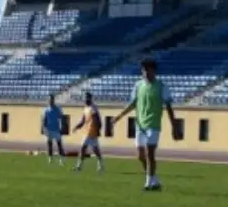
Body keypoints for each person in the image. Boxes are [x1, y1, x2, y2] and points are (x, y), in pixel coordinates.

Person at [111, 57, 178, 191]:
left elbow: (169, 107)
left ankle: (148, 183)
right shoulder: (138, 85)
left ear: (154, 71)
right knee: (140, 156)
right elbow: (132, 103)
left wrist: (174, 126)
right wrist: (119, 116)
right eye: (144, 70)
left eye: (148, 70)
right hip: (140, 125)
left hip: (153, 124)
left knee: (150, 153)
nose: (146, 73)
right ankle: (154, 180)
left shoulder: (161, 86)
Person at [70, 91, 105, 173]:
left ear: (90, 98)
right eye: (84, 98)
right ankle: (100, 164)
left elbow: (98, 120)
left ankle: (79, 166)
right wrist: (77, 127)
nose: (85, 99)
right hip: (87, 131)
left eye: (86, 98)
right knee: (94, 149)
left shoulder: (93, 108)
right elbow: (83, 121)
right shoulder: (85, 108)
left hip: (92, 131)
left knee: (84, 148)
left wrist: (98, 130)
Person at [40, 95, 65, 165]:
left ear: (53, 100)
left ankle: (61, 160)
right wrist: (44, 128)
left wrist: (62, 127)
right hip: (49, 130)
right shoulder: (46, 110)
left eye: (51, 99)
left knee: (59, 145)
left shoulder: (58, 109)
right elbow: (44, 120)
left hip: (56, 129)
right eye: (49, 100)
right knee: (49, 145)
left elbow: (61, 118)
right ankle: (50, 159)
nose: (50, 101)